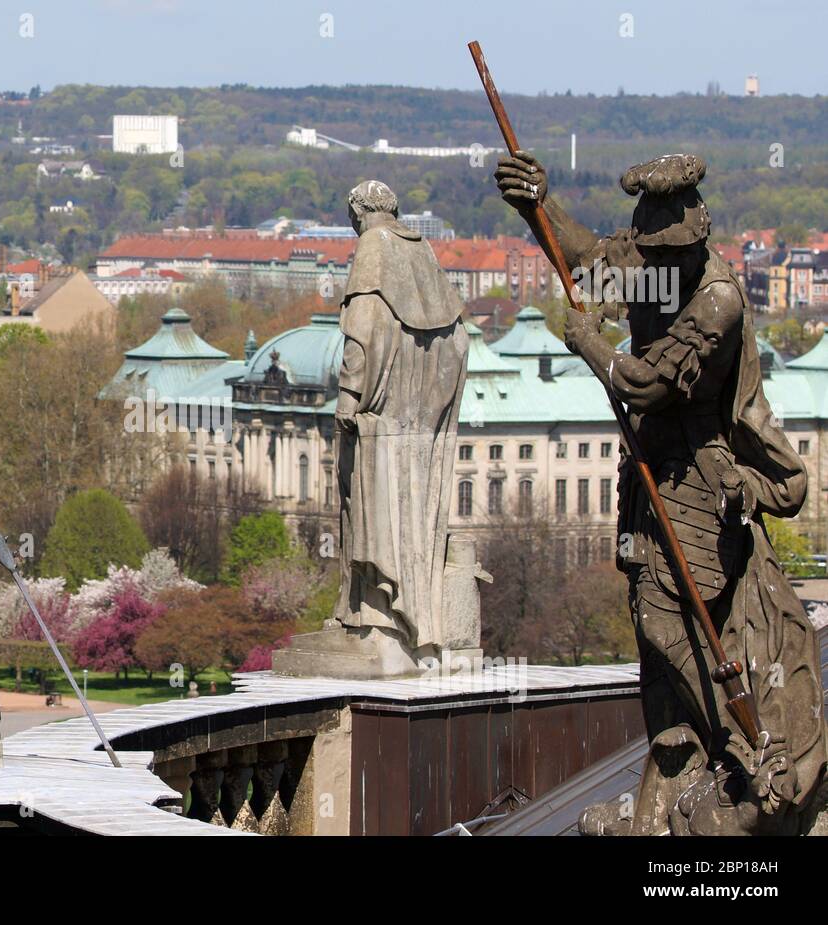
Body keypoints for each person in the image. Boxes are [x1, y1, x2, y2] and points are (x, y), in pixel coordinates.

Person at [495, 150, 827, 835]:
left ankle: (744, 752)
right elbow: (587, 262)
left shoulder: (717, 297)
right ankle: (686, 755)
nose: (648, 265)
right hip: (649, 470)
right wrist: (539, 204)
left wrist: (593, 346)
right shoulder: (658, 263)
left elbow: (645, 382)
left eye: (659, 252)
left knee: (671, 616)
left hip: (700, 480)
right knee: (651, 624)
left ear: (693, 240)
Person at [332, 180, 468, 658]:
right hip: (419, 420)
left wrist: (351, 395)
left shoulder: (373, 246)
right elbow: (457, 340)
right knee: (413, 511)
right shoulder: (422, 253)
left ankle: (376, 621)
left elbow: (362, 330)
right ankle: (412, 621)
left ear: (359, 212)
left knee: (375, 508)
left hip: (379, 418)